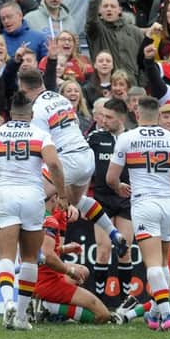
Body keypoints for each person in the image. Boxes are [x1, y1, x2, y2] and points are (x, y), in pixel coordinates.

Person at [0, 91, 68, 330]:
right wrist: (62, 193)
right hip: (33, 196)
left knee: (5, 256)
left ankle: (7, 304)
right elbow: (53, 163)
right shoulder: (40, 134)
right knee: (30, 258)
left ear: (9, 114)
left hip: (5, 196)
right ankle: (22, 316)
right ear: (31, 114)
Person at [107, 96, 170, 330]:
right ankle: (156, 313)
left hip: (143, 204)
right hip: (168, 204)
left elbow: (110, 177)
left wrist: (118, 187)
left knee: (153, 264)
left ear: (137, 114)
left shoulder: (126, 138)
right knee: (164, 262)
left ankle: (167, 315)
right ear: (158, 116)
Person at [17, 69, 128, 255]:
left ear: (24, 88)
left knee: (28, 200)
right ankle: (114, 233)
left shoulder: (36, 110)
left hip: (66, 160)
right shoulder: (60, 99)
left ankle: (40, 253)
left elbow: (40, 146)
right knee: (75, 202)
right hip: (85, 157)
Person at [33, 194, 115, 324]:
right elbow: (48, 256)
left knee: (83, 271)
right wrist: (70, 271)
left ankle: (44, 306)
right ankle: (49, 307)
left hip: (33, 278)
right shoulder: (51, 220)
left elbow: (41, 253)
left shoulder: (32, 217)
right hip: (47, 282)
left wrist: (65, 249)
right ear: (54, 198)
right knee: (103, 315)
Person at [87, 98, 134, 299]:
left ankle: (124, 301)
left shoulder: (133, 137)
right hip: (102, 200)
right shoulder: (94, 137)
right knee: (103, 250)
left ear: (121, 118)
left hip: (126, 200)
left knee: (125, 251)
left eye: (109, 117)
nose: (103, 121)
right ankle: (100, 300)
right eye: (102, 116)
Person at [86, 0, 144, 77]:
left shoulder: (135, 32)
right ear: (99, 11)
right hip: (105, 85)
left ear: (120, 10)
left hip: (132, 86)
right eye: (105, 6)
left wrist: (142, 85)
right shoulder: (96, 31)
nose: (109, 9)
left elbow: (144, 61)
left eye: (113, 6)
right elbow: (91, 18)